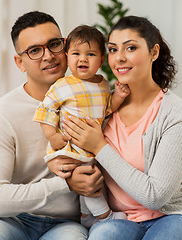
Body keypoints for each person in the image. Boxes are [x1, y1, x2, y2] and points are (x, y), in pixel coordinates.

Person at [0, 11, 182, 240]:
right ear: (19, 62)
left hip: (68, 224)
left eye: (55, 45)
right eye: (34, 51)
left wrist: (177, 166)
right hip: (11, 220)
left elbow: (140, 141)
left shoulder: (99, 100)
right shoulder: (2, 113)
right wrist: (65, 183)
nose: (48, 55)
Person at [59, 16, 182, 239]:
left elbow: (155, 197)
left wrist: (99, 147)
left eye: (130, 48)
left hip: (175, 216)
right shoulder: (102, 107)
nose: (119, 58)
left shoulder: (177, 112)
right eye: (112, 49)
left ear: (154, 52)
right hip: (119, 219)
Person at [33, 25, 129, 227]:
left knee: (94, 176)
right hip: (72, 146)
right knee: (89, 177)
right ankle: (105, 217)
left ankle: (86, 216)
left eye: (91, 54)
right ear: (67, 56)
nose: (82, 59)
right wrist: (52, 137)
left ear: (101, 60)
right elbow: (45, 111)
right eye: (76, 53)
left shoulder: (103, 84)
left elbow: (107, 109)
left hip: (92, 146)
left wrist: (118, 97)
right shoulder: (62, 85)